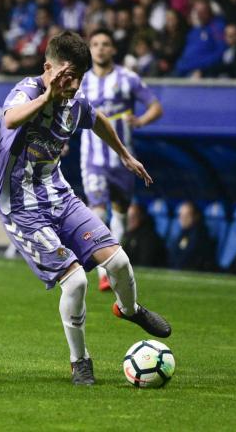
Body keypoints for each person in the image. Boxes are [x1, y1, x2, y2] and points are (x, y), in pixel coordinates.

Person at [0, 30, 171, 386]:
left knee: (118, 261)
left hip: (59, 195)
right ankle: (80, 362)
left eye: (80, 78)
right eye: (68, 77)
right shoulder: (28, 91)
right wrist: (47, 94)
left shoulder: (75, 102)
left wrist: (124, 154)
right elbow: (11, 119)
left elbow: (97, 118)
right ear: (49, 68)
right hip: (21, 207)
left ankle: (129, 309)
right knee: (75, 282)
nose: (74, 86)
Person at [79, 28, 163, 291]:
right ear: (90, 49)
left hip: (123, 159)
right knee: (97, 210)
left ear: (113, 49)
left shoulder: (128, 78)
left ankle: (111, 263)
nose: (101, 48)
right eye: (96, 44)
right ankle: (105, 271)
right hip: (92, 157)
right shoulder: (81, 82)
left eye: (105, 44)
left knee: (121, 215)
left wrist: (140, 121)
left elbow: (156, 107)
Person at [167, 202, 216, 271]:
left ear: (196, 216)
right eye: (181, 215)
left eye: (186, 216)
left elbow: (189, 257)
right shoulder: (184, 233)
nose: (182, 219)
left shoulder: (199, 235)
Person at [121, 203, 167, 267]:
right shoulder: (127, 234)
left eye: (133, 217)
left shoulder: (149, 237)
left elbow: (144, 262)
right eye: (128, 217)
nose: (130, 220)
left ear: (141, 217)